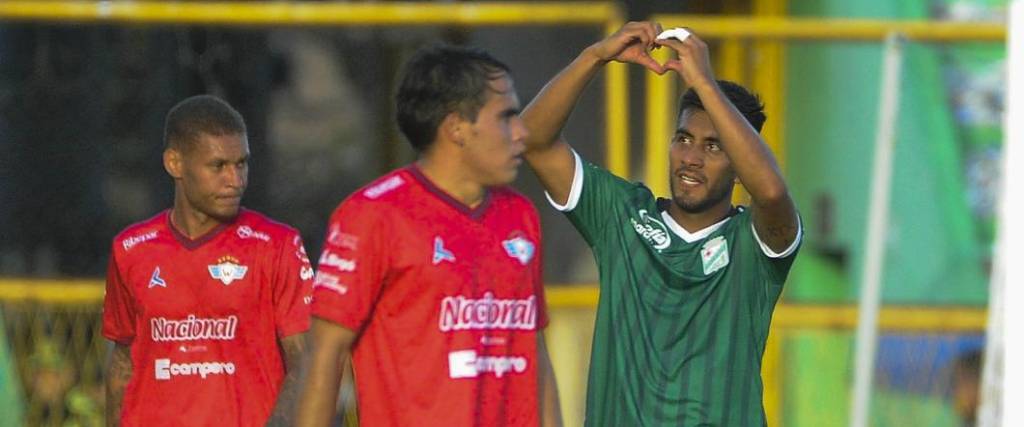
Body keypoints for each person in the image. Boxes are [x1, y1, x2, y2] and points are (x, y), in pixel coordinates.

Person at [521, 22, 802, 426]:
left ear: (741, 166)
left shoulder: (753, 243)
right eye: (683, 139)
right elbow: (533, 141)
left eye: (714, 147)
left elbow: (773, 194)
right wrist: (594, 56)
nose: (691, 157)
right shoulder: (621, 214)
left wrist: (704, 83)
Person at [296, 45, 562, 427]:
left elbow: (535, 351)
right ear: (455, 127)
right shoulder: (373, 214)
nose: (521, 132)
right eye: (507, 117)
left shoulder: (521, 215)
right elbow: (325, 352)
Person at [102, 95, 314, 426]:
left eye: (241, 163)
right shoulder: (130, 249)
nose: (235, 180)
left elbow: (306, 361)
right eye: (218, 166)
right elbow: (123, 362)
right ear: (175, 163)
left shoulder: (277, 246)